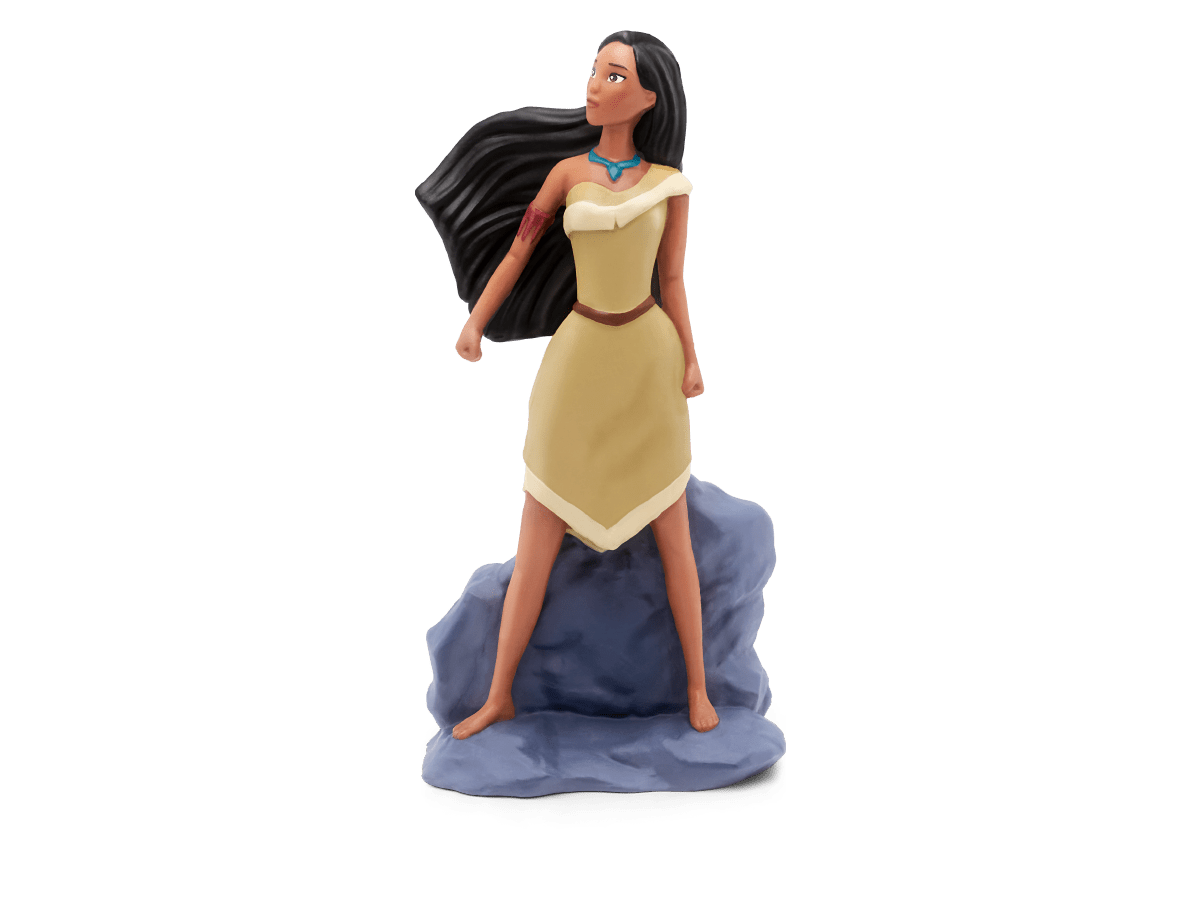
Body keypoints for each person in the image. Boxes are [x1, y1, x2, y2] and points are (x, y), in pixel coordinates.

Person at [416, 31, 718, 739]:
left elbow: (672, 280)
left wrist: (691, 359)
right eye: (595, 71)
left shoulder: (668, 186)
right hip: (577, 359)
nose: (594, 85)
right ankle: (499, 694)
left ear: (647, 98)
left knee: (674, 533)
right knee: (537, 529)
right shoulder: (565, 174)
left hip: (647, 362)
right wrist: (475, 322)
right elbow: (518, 253)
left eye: (613, 76)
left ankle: (698, 688)